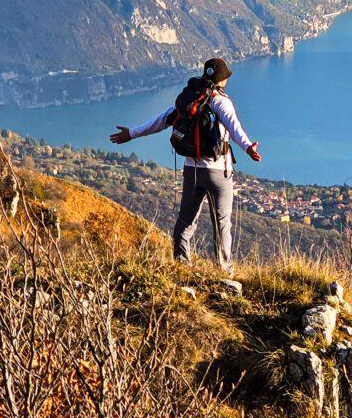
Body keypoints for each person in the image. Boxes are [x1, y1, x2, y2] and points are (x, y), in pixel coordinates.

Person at [110, 57, 260, 275]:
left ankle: (181, 265)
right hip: (219, 171)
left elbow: (161, 120)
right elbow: (234, 127)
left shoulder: (189, 100)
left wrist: (131, 133)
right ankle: (224, 271)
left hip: (192, 169)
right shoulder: (221, 101)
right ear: (221, 79)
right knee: (222, 223)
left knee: (186, 220)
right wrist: (248, 147)